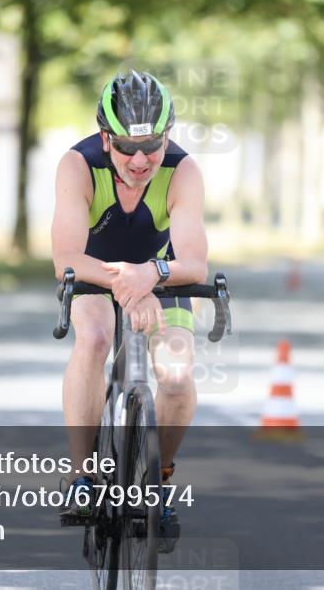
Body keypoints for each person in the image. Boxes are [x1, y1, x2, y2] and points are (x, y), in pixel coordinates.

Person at [51, 70, 208, 551]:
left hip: (162, 276)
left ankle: (157, 480)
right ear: (105, 138)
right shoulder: (78, 166)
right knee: (95, 339)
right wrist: (128, 282)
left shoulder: (183, 172)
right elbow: (67, 261)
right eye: (125, 147)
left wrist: (150, 278)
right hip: (97, 273)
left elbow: (194, 263)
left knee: (177, 375)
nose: (140, 160)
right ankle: (82, 477)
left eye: (153, 146)